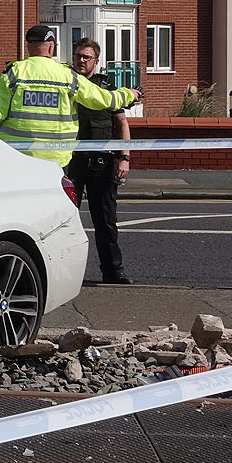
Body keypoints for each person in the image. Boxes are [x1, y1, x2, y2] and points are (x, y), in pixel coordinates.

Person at [0, 25, 141, 169]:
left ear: (28, 46)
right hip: (56, 158)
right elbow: (101, 99)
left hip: (18, 156)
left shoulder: (14, 73)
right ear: (51, 48)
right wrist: (129, 94)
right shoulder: (67, 75)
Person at [66, 38, 133, 285]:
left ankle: (113, 272)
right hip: (70, 162)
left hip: (101, 163)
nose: (80, 60)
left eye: (86, 57)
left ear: (96, 60)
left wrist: (124, 158)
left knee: (105, 221)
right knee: (64, 220)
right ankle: (63, 276)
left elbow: (121, 123)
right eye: (77, 56)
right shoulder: (66, 83)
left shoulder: (106, 86)